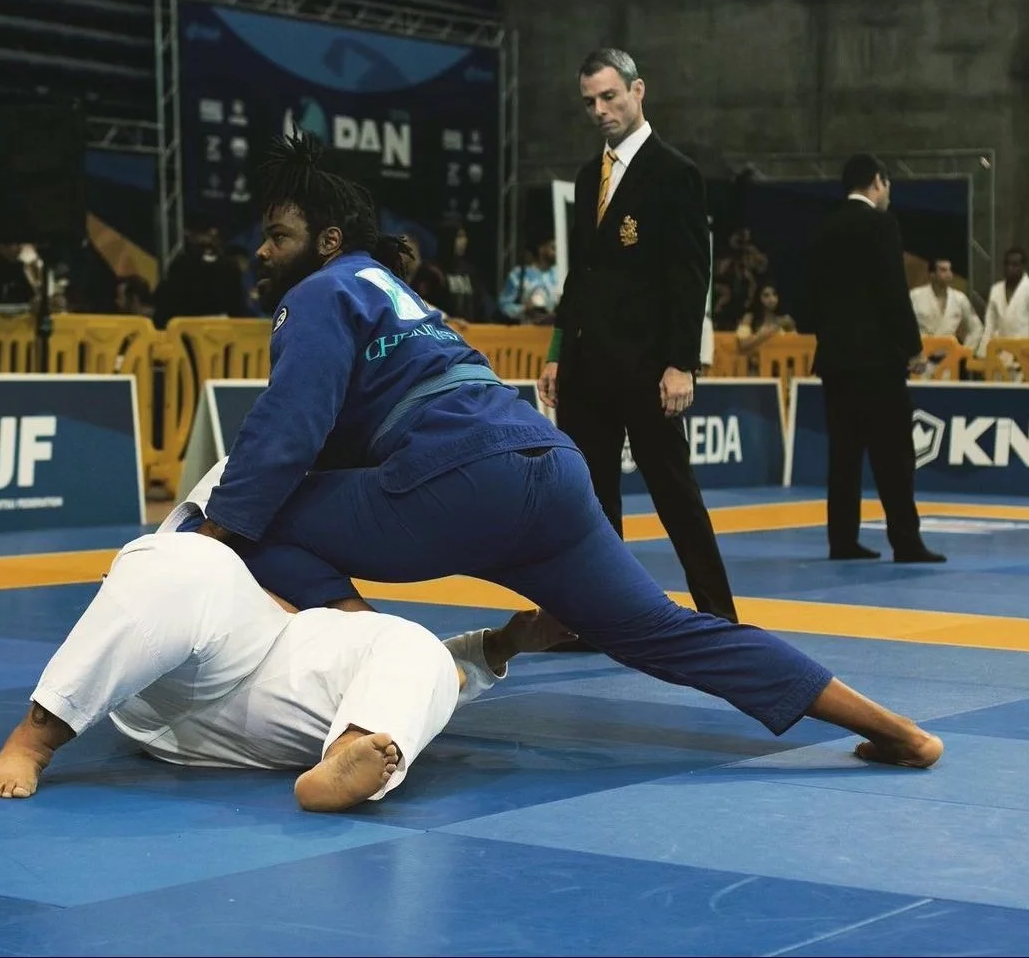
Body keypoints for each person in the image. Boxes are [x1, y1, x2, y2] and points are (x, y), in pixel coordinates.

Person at [183, 132, 943, 773]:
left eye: (277, 236)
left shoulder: (317, 294)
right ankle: (897, 730)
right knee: (671, 633)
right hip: (549, 468)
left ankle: (385, 683)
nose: (261, 251)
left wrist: (206, 540)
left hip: (457, 480)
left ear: (327, 241)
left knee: (262, 521)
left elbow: (282, 437)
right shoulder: (394, 293)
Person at [0, 481, 572, 811]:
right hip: (175, 663)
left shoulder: (369, 501)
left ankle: (347, 756)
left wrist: (499, 646)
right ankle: (34, 739)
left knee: (406, 641)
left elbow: (361, 638)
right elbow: (178, 569)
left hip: (271, 677)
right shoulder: (263, 461)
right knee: (192, 561)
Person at [536, 48, 737, 627]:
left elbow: (690, 277)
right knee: (591, 505)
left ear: (637, 90)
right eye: (590, 101)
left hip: (649, 368)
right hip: (588, 366)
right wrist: (557, 355)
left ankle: (720, 617)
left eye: (610, 96)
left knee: (675, 493)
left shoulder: (675, 173)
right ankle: (600, 619)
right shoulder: (586, 176)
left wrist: (681, 364)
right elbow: (578, 277)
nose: (600, 110)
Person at [806, 154, 944, 565]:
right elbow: (892, 291)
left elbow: (810, 296)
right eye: (888, 185)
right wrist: (913, 347)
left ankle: (842, 540)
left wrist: (831, 337)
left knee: (844, 456)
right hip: (878, 362)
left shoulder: (825, 227)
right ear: (877, 183)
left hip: (836, 361)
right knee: (894, 455)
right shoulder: (881, 225)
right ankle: (905, 541)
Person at [977, 247, 1029, 359]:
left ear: (1023, 267)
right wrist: (982, 355)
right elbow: (990, 325)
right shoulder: (996, 290)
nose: (1010, 268)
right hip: (1000, 356)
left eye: (1015, 265)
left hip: (1026, 356)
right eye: (1007, 264)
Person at [910, 258, 983, 351]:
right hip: (922, 356)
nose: (949, 274)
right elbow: (903, 325)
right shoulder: (915, 296)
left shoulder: (960, 298)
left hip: (950, 358)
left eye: (950, 270)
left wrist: (965, 351)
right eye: (943, 270)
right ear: (932, 274)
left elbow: (976, 328)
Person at [498, 236, 562, 325]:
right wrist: (524, 308)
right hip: (526, 333)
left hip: (554, 333)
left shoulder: (561, 274)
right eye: (553, 248)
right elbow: (504, 306)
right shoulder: (519, 275)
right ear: (541, 249)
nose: (557, 252)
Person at [735, 282, 796, 371]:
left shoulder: (785, 320)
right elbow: (742, 344)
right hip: (755, 369)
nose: (771, 299)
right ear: (759, 298)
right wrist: (764, 334)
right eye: (766, 295)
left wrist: (790, 327)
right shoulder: (749, 318)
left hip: (781, 369)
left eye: (774, 295)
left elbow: (796, 345)